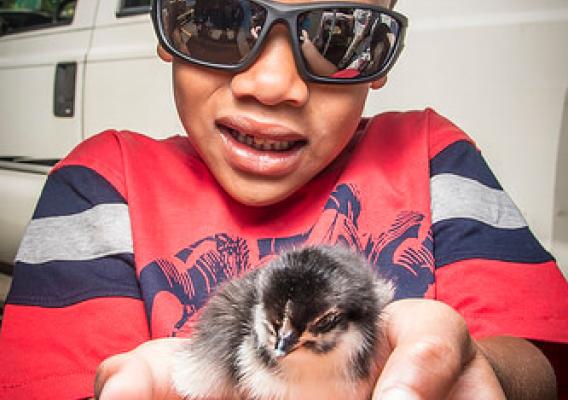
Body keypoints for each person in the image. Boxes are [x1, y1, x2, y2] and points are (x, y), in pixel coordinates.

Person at [1, 0, 567, 399]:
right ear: (164, 26)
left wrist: (472, 369)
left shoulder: (433, 157)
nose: (271, 85)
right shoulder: (100, 185)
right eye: (218, 21)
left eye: (336, 35)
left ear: (381, 58)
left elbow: (543, 363)